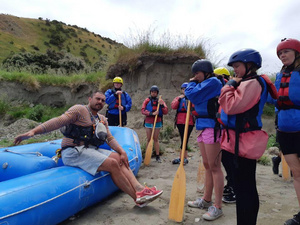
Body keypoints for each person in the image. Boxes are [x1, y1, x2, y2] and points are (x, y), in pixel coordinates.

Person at [14, 91, 163, 208]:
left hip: (89, 149)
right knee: (112, 164)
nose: (100, 102)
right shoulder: (79, 110)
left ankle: (139, 188)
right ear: (89, 98)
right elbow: (58, 121)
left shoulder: (101, 119)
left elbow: (109, 138)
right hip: (73, 151)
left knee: (118, 158)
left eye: (103, 100)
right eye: (97, 99)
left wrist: (122, 152)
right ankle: (138, 198)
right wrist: (34, 131)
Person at [218, 48, 278, 225]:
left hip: (242, 143)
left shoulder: (253, 83)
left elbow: (230, 106)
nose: (234, 70)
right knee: (243, 187)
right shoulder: (246, 82)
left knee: (245, 189)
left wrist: (228, 85)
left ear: (249, 65)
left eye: (237, 66)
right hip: (236, 141)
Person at [185, 59, 224, 221]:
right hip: (202, 125)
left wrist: (191, 84)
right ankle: (206, 200)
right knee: (207, 165)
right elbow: (193, 96)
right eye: (194, 74)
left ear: (206, 72)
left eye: (197, 73)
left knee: (215, 166)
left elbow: (190, 94)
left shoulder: (214, 82)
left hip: (212, 126)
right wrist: (194, 83)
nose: (195, 76)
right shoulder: (203, 84)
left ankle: (218, 206)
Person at [274, 38, 300, 225]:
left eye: (286, 51)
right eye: (280, 53)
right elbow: (273, 99)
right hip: (284, 129)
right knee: (297, 173)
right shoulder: (279, 76)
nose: (282, 55)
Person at [214, 67, 236, 204]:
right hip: (223, 129)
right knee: (226, 160)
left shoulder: (231, 87)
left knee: (230, 161)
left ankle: (233, 188)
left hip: (231, 131)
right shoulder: (221, 89)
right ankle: (230, 185)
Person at [141, 85, 168, 163]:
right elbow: (143, 110)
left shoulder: (161, 101)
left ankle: (157, 155)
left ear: (157, 93)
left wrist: (162, 104)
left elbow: (165, 111)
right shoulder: (147, 100)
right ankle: (146, 155)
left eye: (155, 92)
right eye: (152, 92)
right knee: (149, 139)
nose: (153, 93)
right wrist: (151, 113)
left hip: (157, 122)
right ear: (150, 92)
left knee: (155, 139)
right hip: (148, 122)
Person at [171, 82, 195, 165]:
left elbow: (195, 109)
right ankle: (182, 157)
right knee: (182, 138)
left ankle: (183, 158)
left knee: (186, 139)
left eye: (186, 89)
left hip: (189, 121)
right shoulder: (179, 98)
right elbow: (173, 106)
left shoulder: (192, 98)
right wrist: (179, 99)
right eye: (183, 89)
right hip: (180, 121)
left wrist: (190, 100)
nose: (184, 91)